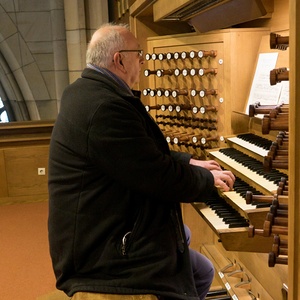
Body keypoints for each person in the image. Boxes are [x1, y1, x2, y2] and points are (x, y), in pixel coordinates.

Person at [48, 23, 235, 300]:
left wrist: (189, 162)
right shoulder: (105, 107)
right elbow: (156, 175)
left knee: (200, 268)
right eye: (139, 54)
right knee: (183, 254)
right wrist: (206, 181)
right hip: (105, 255)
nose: (143, 62)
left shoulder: (86, 92)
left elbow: (135, 153)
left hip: (102, 232)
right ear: (119, 59)